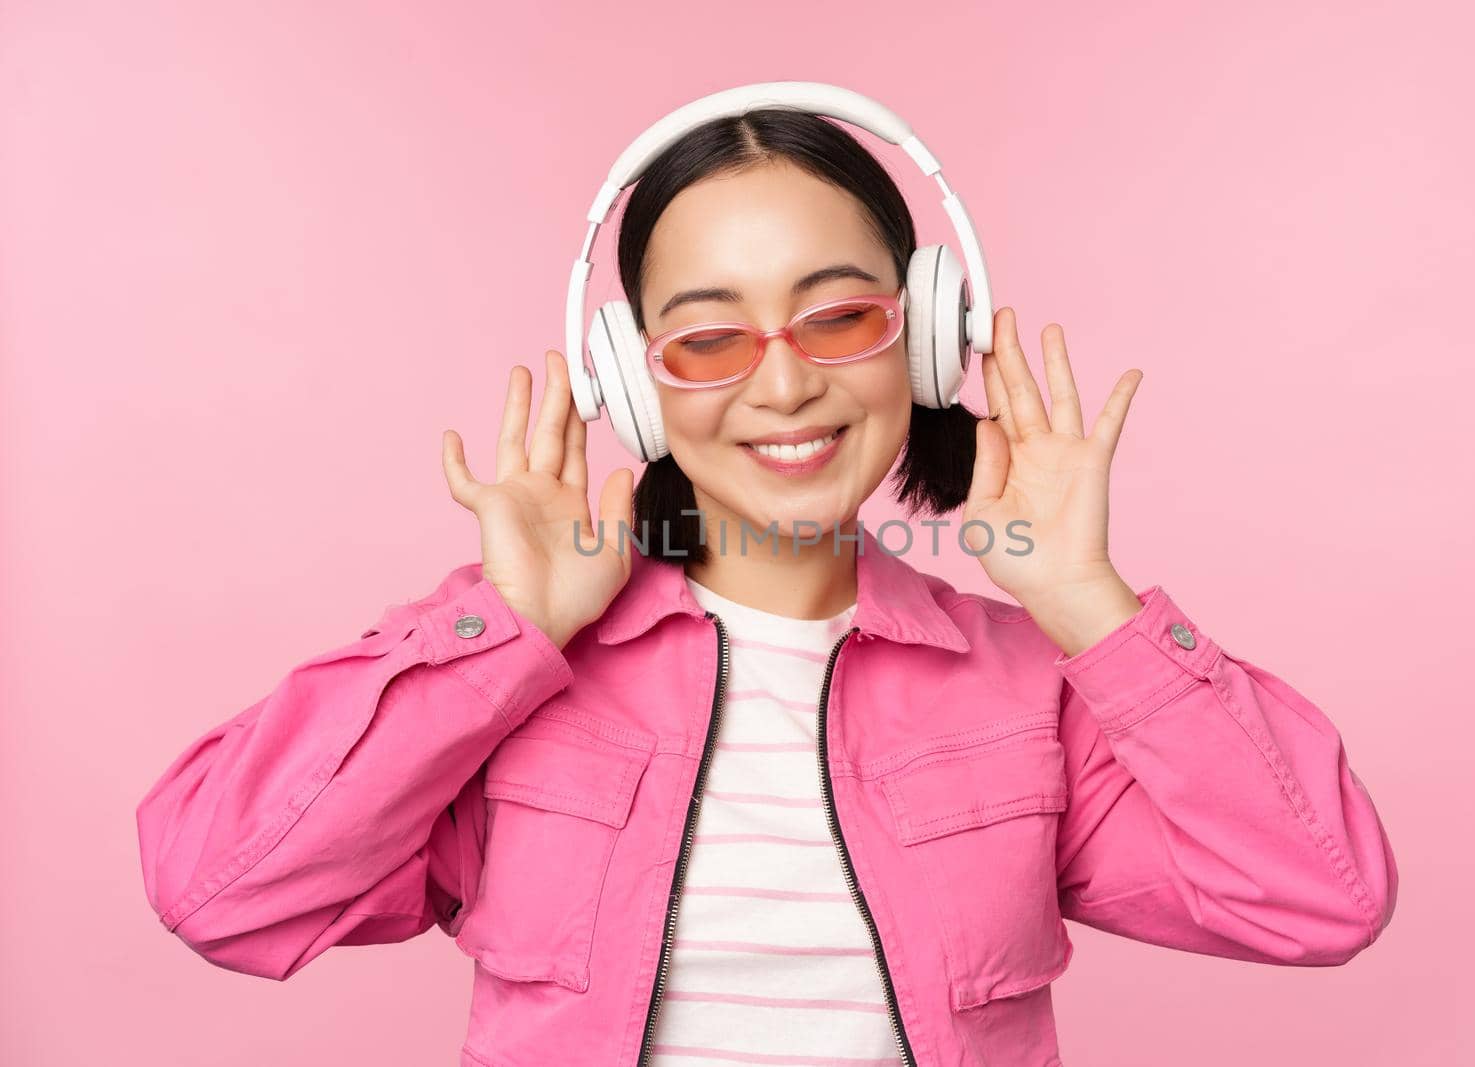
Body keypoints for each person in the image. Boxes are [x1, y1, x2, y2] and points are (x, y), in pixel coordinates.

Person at [136, 105, 1399, 1067]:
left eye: (836, 316)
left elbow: (1319, 897)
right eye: (709, 336)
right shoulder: (511, 677)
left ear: (926, 332)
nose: (783, 384)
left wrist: (1087, 603)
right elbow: (218, 892)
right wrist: (501, 630)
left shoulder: (1036, 690)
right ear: (636, 382)